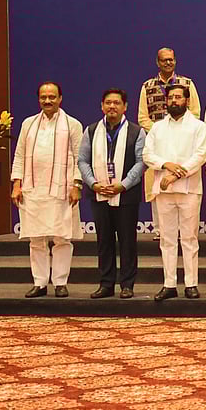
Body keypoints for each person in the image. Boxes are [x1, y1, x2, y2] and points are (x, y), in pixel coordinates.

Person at [11, 82, 83, 299]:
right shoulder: (28, 124)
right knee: (36, 239)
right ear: (39, 99)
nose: (48, 101)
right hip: (33, 189)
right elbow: (20, 155)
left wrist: (76, 185)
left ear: (60, 98)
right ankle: (40, 283)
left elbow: (80, 157)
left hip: (62, 189)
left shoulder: (72, 124)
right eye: (44, 97)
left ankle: (60, 282)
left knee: (62, 238)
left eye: (52, 97)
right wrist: (16, 184)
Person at [77, 88, 145, 299]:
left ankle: (127, 284)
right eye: (108, 103)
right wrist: (93, 183)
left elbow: (142, 162)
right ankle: (106, 284)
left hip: (126, 195)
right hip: (99, 194)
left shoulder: (136, 131)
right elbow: (82, 160)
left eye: (116, 103)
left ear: (125, 106)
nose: (112, 107)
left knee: (127, 241)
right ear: (101, 106)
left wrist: (123, 185)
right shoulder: (91, 130)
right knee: (104, 241)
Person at [142, 84, 206, 301]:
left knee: (189, 238)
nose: (174, 101)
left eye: (178, 97)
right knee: (167, 239)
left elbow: (200, 156)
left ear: (187, 101)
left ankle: (191, 283)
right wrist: (166, 164)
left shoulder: (198, 127)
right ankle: (169, 283)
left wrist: (176, 174)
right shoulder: (158, 127)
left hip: (189, 190)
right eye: (170, 98)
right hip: (163, 190)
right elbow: (147, 155)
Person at [137, 47, 201, 130]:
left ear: (175, 61)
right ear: (157, 63)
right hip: (157, 137)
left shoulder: (187, 84)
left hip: (183, 135)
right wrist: (159, 131)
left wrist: (181, 129)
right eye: (164, 60)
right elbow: (143, 118)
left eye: (170, 60)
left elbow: (195, 113)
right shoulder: (147, 86)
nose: (168, 63)